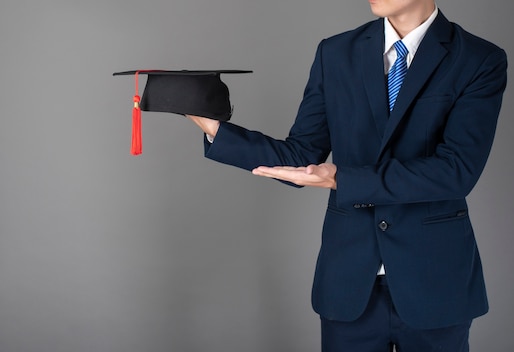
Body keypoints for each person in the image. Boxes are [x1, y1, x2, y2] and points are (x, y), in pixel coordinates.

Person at [187, 0, 507, 351]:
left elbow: (456, 171)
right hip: (349, 281)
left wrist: (343, 180)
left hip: (436, 279)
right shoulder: (335, 53)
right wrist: (216, 130)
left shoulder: (478, 58)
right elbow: (300, 154)